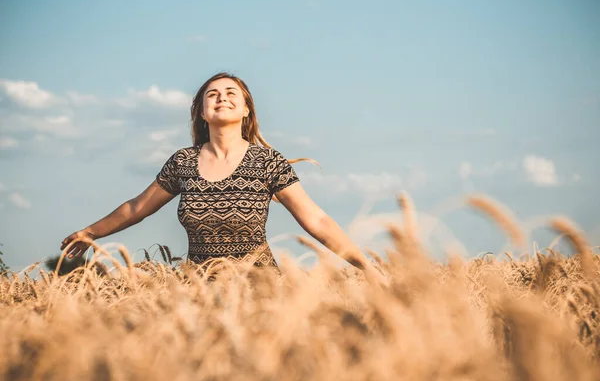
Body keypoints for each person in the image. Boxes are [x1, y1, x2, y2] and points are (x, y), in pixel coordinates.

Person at [60, 72, 385, 284]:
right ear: (202, 112)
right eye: (212, 94)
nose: (221, 97)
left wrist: (367, 267)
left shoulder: (268, 162)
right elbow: (136, 208)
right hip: (197, 293)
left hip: (262, 295)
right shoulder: (183, 162)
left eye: (232, 93)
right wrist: (90, 232)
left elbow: (316, 219)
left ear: (246, 110)